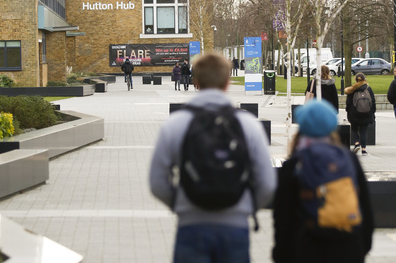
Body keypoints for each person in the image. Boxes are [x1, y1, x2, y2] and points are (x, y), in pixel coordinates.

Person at [150, 53, 276, 263]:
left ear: (195, 81)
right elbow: (267, 183)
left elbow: (157, 182)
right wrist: (246, 207)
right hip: (235, 227)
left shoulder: (176, 123)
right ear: (227, 82)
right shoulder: (249, 125)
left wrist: (181, 204)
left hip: (191, 225)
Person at [272, 100, 373, 263]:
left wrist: (281, 253)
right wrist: (361, 247)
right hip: (348, 246)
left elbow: (283, 217)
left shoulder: (294, 165)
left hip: (306, 247)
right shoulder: (349, 160)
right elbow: (365, 208)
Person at [345, 73, 375, 155]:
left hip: (354, 113)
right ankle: (364, 149)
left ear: (355, 80)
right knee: (363, 130)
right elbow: (373, 101)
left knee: (354, 129)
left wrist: (348, 110)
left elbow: (348, 102)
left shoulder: (352, 89)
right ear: (364, 79)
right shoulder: (368, 89)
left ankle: (356, 143)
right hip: (366, 113)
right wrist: (372, 112)